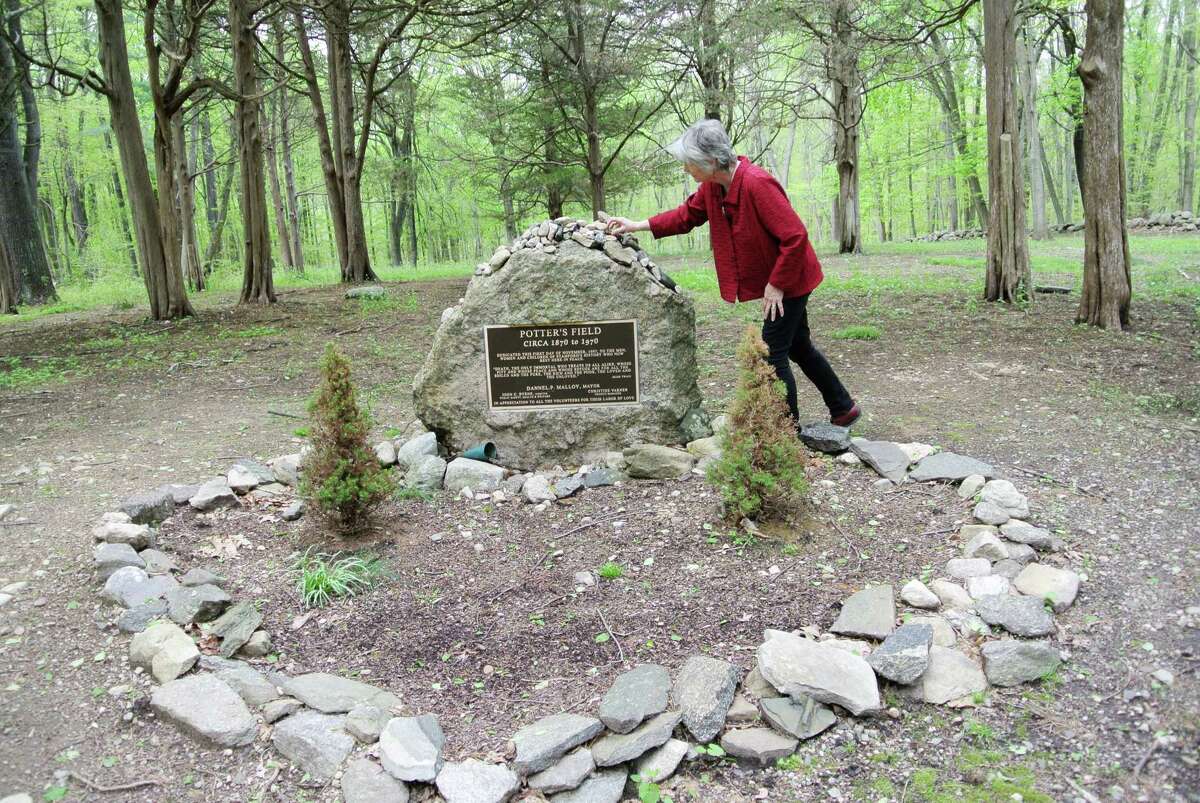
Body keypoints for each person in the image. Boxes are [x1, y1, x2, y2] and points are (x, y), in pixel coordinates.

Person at [607, 119, 861, 429]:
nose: (686, 169)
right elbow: (686, 215)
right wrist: (637, 225)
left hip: (790, 277)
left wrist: (776, 285)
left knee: (771, 353)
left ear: (711, 161)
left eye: (690, 162)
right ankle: (843, 408)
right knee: (798, 346)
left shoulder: (757, 183)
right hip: (782, 278)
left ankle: (786, 431)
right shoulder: (713, 187)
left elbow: (795, 237)